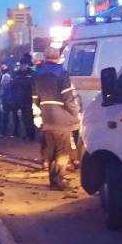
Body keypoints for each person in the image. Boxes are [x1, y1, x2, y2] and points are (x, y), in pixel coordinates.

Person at [32, 47, 81, 190]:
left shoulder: (37, 74)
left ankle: (53, 181)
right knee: (62, 151)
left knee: (51, 150)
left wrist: (39, 115)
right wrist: (75, 114)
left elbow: (35, 98)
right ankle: (59, 180)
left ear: (45, 57)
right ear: (58, 57)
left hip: (46, 117)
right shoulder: (62, 73)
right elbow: (68, 98)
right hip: (61, 118)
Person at [12, 53, 36, 140]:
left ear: (27, 65)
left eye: (25, 65)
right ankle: (27, 133)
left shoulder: (32, 74)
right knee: (24, 118)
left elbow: (35, 86)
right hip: (20, 100)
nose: (23, 66)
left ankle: (31, 134)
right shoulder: (17, 74)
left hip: (30, 99)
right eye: (22, 65)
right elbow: (13, 87)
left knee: (31, 117)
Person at [0, 66, 19, 136]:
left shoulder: (6, 78)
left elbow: (2, 90)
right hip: (10, 101)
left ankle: (7, 132)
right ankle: (14, 132)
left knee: (10, 117)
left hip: (10, 101)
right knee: (13, 117)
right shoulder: (12, 79)